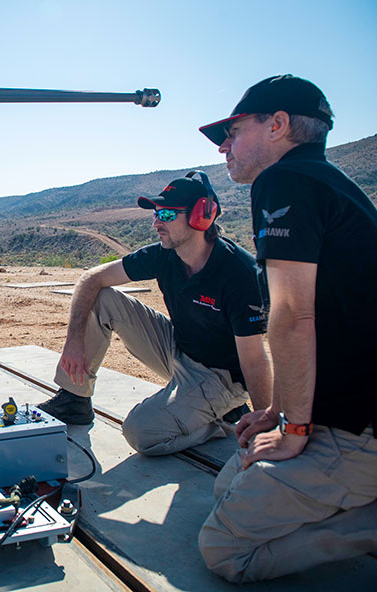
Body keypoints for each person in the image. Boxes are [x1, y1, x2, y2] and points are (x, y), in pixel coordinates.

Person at [197, 74, 377, 582]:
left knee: (224, 549)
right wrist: (281, 409)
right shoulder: (324, 181)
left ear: (277, 125)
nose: (225, 147)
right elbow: (330, 315)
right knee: (226, 485)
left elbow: (294, 314)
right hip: (337, 411)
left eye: (230, 132)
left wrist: (294, 429)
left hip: (357, 430)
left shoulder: (285, 180)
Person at [38, 172, 273, 457]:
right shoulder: (165, 254)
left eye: (165, 214)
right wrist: (73, 341)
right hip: (179, 349)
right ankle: (74, 399)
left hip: (221, 377)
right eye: (155, 214)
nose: (156, 222)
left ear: (201, 216)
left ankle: (223, 418)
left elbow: (254, 359)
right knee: (102, 296)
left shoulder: (240, 274)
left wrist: (266, 425)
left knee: (141, 432)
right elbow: (91, 278)